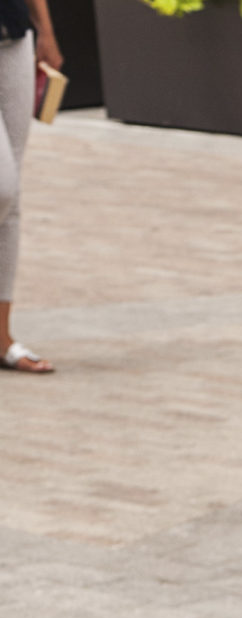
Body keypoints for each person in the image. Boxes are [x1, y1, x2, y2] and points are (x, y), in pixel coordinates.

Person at [0, 0, 61, 376]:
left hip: (13, 37)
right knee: (2, 187)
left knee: (13, 196)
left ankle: (1, 337)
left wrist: (46, 32)